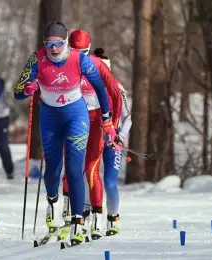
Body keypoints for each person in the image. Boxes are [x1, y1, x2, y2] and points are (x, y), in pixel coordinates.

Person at [14, 21, 118, 245]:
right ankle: (53, 203)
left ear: (66, 42)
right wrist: (27, 89)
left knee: (74, 167)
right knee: (52, 168)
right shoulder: (36, 59)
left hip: (76, 116)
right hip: (50, 118)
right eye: (49, 44)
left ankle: (78, 221)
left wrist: (108, 120)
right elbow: (17, 92)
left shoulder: (79, 59)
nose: (54, 49)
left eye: (59, 44)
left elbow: (101, 87)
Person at [62, 29, 123, 240]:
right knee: (71, 168)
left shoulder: (97, 65)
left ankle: (98, 216)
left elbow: (116, 95)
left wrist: (112, 125)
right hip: (74, 120)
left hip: (96, 120)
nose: (78, 55)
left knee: (91, 169)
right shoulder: (62, 64)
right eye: (73, 50)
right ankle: (73, 214)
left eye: (82, 51)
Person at [94, 48, 132, 236]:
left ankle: (113, 218)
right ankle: (90, 216)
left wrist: (120, 136)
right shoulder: (85, 86)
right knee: (90, 178)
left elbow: (128, 118)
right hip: (93, 138)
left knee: (110, 182)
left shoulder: (117, 88)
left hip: (112, 140)